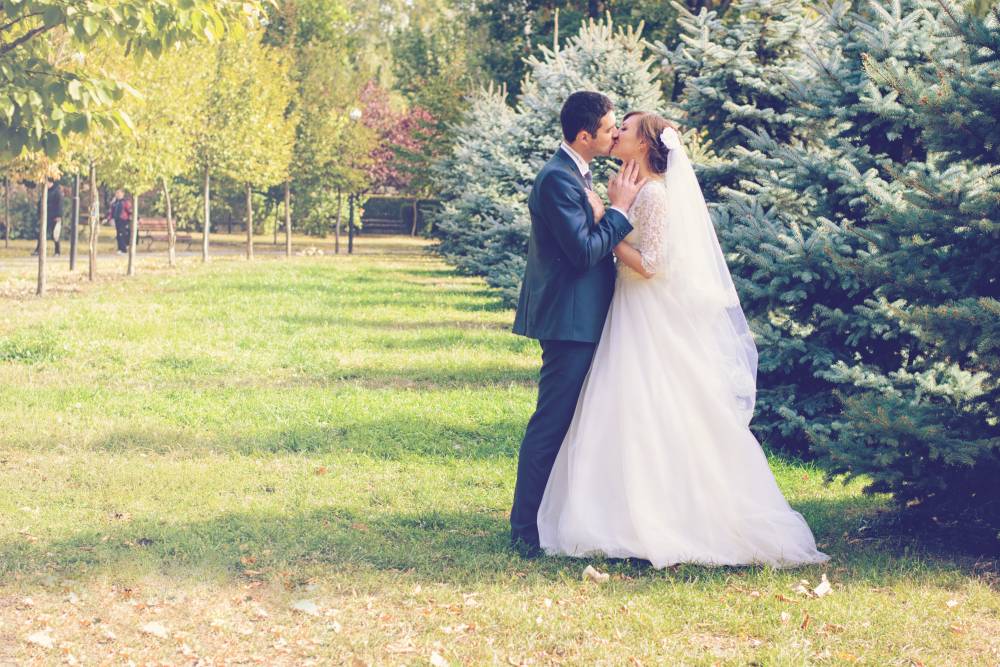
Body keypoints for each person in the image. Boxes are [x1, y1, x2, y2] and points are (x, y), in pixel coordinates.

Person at [536, 111, 829, 568]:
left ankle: (668, 516)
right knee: (624, 407)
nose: (617, 133)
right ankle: (620, 511)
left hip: (646, 308)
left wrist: (608, 221)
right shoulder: (634, 186)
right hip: (628, 307)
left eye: (626, 129)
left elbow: (651, 263)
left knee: (652, 403)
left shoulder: (654, 193)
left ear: (644, 144)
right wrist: (613, 212)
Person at [509, 91, 645, 558]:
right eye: (608, 129)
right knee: (552, 422)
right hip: (570, 322)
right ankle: (525, 530)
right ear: (585, 136)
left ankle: (560, 518)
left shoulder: (578, 173)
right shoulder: (556, 180)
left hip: (587, 317)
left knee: (578, 423)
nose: (614, 134)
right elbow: (584, 252)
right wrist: (620, 211)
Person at [32, 178, 64, 256]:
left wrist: (58, 216)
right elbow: (40, 204)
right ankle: (38, 250)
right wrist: (39, 214)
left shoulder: (57, 192)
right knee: (41, 233)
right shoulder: (45, 191)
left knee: (55, 235)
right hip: (46, 216)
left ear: (50, 183)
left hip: (54, 217)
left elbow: (59, 205)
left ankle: (57, 251)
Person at [108, 189, 132, 254]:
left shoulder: (125, 202)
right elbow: (111, 211)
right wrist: (110, 218)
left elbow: (129, 210)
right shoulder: (115, 203)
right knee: (118, 235)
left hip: (123, 220)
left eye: (119, 193)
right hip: (117, 220)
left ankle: (123, 249)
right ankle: (120, 248)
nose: (117, 195)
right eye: (116, 193)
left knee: (122, 234)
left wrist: (131, 218)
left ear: (122, 194)